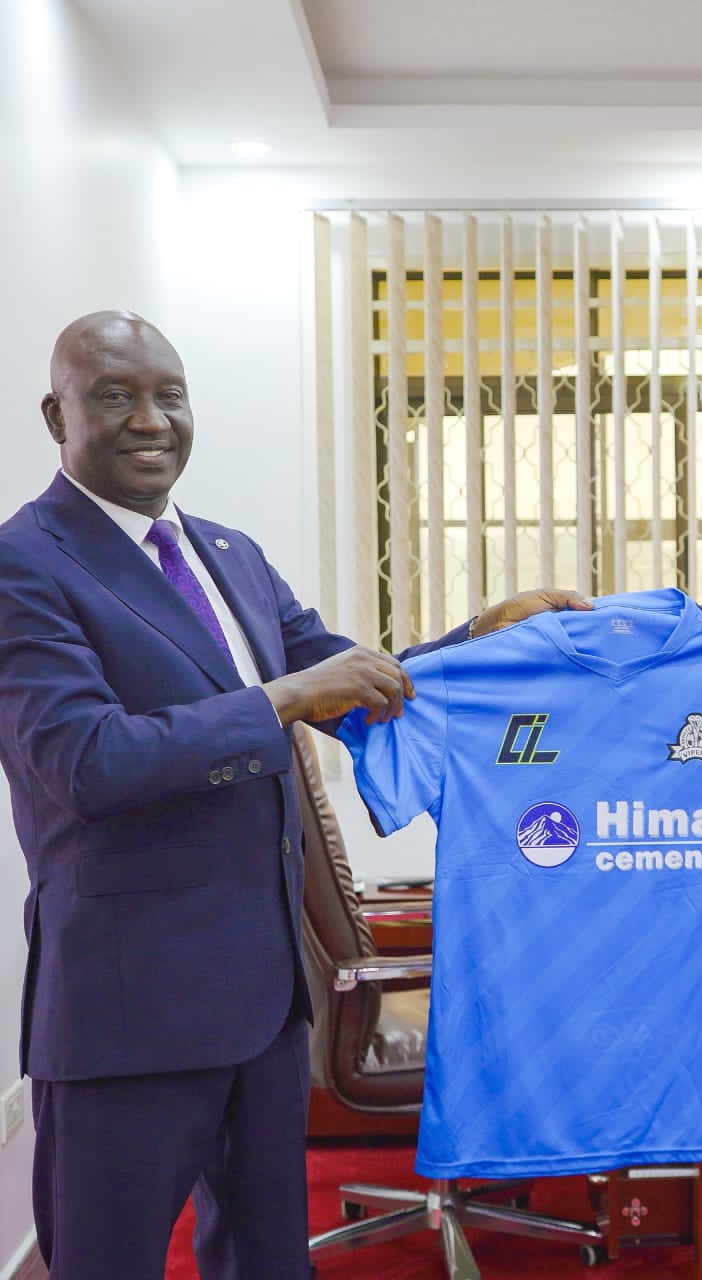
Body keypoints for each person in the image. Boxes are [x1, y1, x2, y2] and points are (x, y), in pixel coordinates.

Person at [0, 309, 589, 1280]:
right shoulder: (24, 562)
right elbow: (87, 760)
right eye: (114, 396)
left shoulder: (225, 553)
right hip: (127, 1015)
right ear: (55, 416)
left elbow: (352, 682)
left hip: (266, 1003)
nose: (150, 419)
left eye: (169, 395)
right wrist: (280, 700)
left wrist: (487, 634)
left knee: (269, 1260)